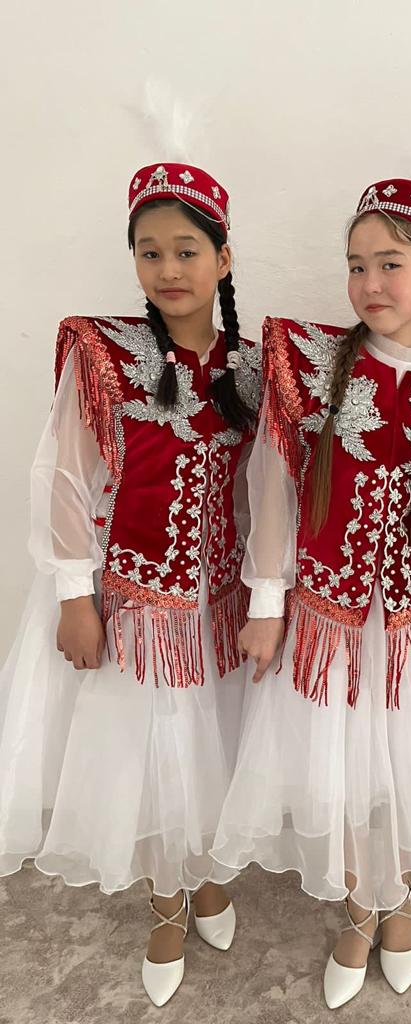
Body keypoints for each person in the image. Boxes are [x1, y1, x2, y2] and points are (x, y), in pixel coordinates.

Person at [211, 178, 411, 1008]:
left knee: (408, 765)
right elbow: (273, 485)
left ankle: (396, 895)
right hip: (326, 618)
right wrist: (266, 604)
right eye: (356, 265)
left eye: (391, 264)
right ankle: (357, 902)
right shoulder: (306, 365)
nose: (370, 283)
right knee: (334, 765)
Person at [0, 162, 261, 1006]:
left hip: (222, 603)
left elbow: (272, 489)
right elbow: (65, 477)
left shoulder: (258, 368)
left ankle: (207, 874)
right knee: (151, 752)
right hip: (135, 601)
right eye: (150, 252)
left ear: (224, 258)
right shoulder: (104, 353)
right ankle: (165, 896)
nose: (169, 268)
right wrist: (73, 597)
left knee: (214, 743)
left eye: (187, 249)